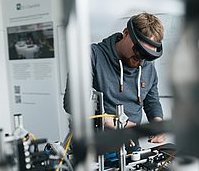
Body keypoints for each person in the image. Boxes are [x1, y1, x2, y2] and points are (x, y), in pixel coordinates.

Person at [63, 12, 166, 144]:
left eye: (147, 55)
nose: (141, 59)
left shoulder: (148, 68)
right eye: (138, 50)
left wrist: (158, 124)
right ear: (126, 33)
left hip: (130, 144)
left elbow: (152, 102)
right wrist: (110, 122)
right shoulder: (91, 55)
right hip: (92, 145)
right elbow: (72, 102)